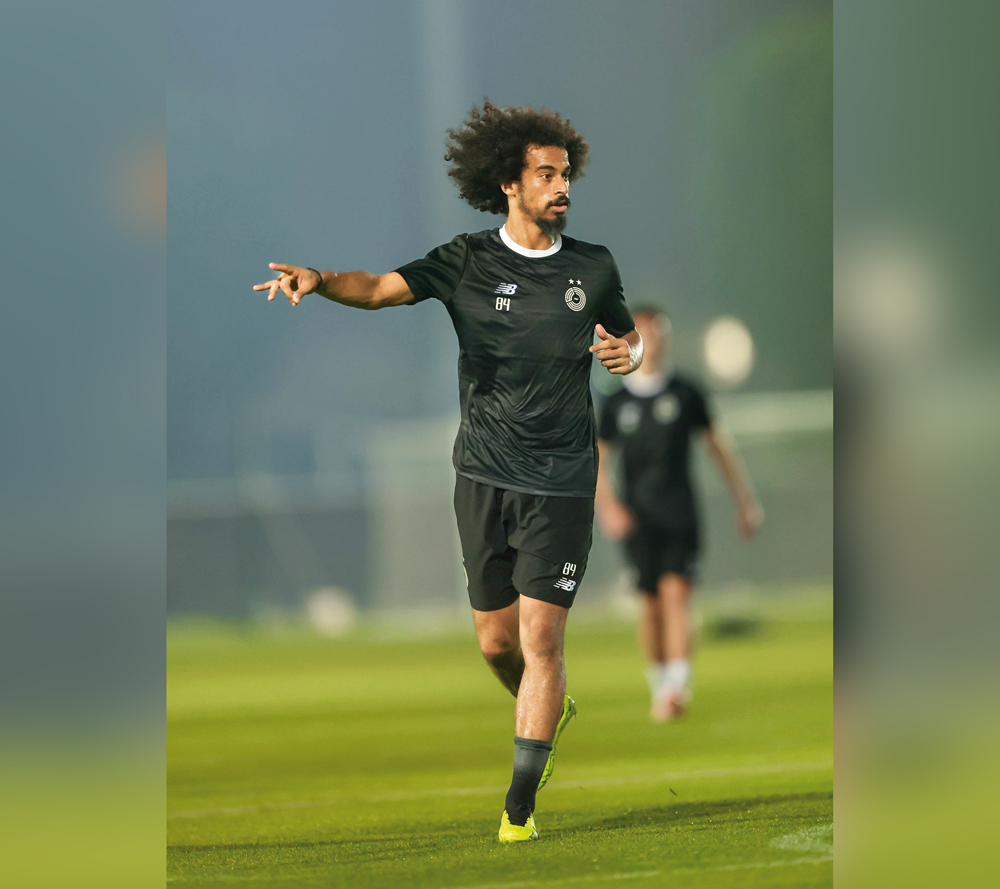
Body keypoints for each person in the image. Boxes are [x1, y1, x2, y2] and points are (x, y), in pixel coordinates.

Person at [253, 100, 642, 842]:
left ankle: (519, 807)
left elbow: (626, 337)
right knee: (497, 645)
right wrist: (318, 277)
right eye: (546, 174)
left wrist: (635, 356)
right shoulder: (465, 260)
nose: (562, 187)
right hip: (482, 477)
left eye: (566, 174)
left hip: (561, 479)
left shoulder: (592, 266)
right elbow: (375, 287)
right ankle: (545, 707)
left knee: (541, 641)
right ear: (509, 183)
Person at [595, 307, 762, 722]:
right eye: (646, 334)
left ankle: (676, 686)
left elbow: (718, 446)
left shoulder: (687, 393)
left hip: (680, 513)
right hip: (638, 519)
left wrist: (745, 499)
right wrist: (609, 507)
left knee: (678, 596)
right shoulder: (616, 402)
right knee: (649, 606)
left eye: (660, 333)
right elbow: (597, 460)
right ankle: (660, 684)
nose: (656, 341)